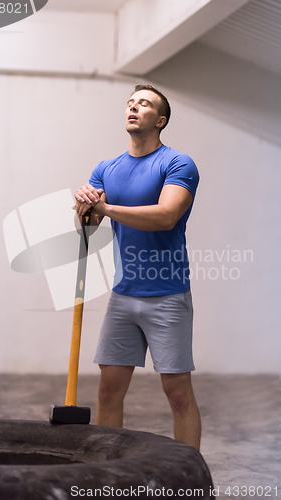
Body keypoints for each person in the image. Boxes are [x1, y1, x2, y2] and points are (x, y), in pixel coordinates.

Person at [74, 84, 201, 450]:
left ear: (159, 120)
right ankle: (108, 473)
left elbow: (166, 216)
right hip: (123, 295)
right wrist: (84, 205)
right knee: (107, 392)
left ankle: (192, 476)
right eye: (130, 103)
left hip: (167, 295)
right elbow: (89, 227)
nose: (133, 107)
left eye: (143, 104)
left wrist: (106, 208)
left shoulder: (177, 163)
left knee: (177, 393)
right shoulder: (106, 168)